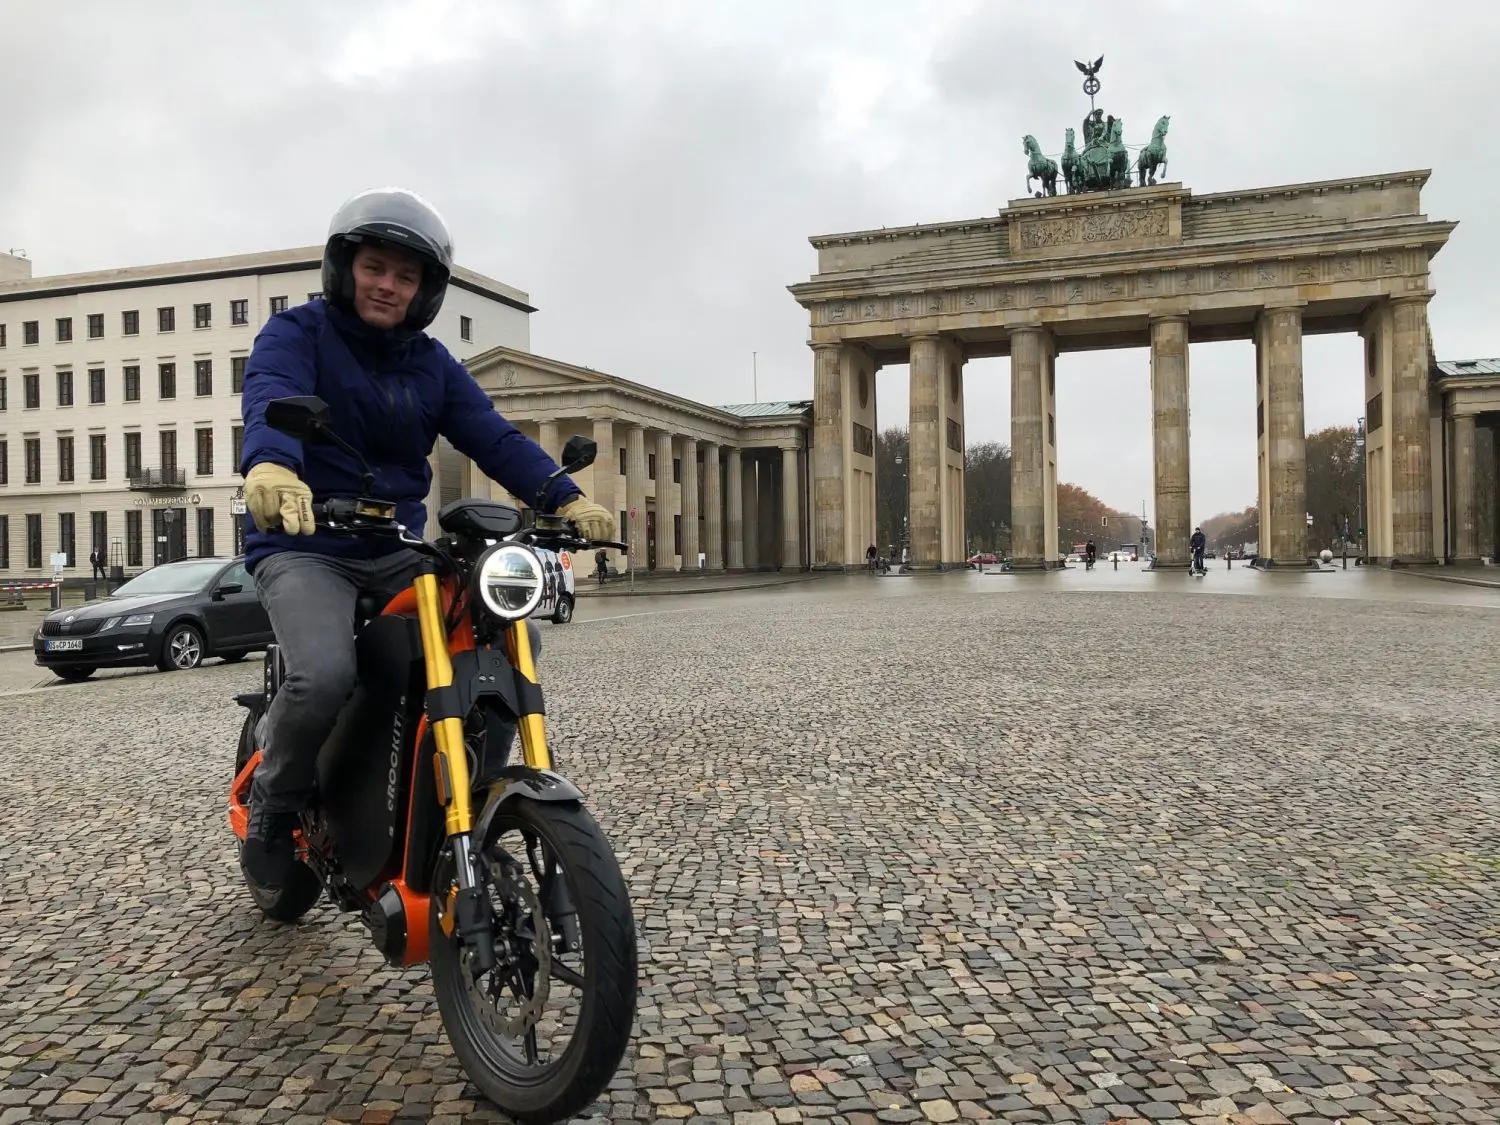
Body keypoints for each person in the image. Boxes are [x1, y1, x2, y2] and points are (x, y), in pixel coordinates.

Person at [238, 187, 615, 889]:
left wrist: (563, 495)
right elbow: (271, 400)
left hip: (396, 547)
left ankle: (470, 792)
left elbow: (494, 437)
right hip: (308, 542)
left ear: (425, 290)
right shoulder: (297, 335)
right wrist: (268, 465)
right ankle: (274, 801)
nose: (388, 285)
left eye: (405, 276)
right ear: (345, 267)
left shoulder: (433, 362)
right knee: (323, 673)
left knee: (511, 639)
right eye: (376, 267)